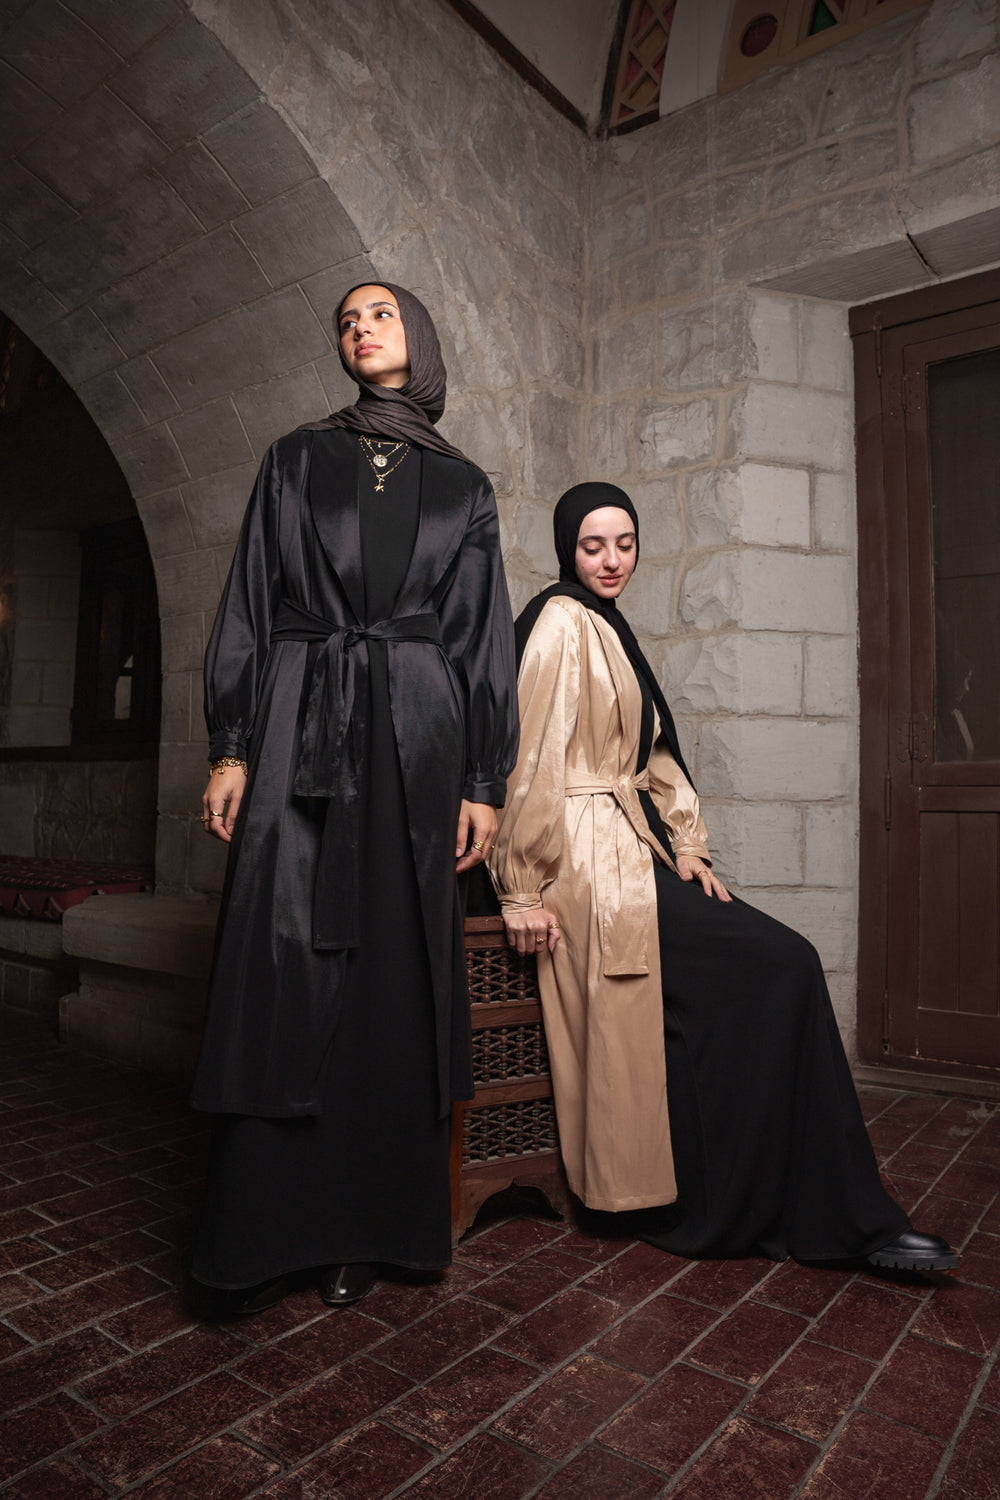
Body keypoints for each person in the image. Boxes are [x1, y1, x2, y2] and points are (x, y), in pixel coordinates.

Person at [489, 482, 957, 1272]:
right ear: (568, 549)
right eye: (593, 546)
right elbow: (527, 761)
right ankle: (833, 1217)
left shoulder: (609, 625)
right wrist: (521, 889)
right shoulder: (561, 623)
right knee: (785, 965)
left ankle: (794, 1205)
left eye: (625, 543)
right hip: (583, 864)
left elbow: (652, 754)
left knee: (776, 971)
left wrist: (689, 846)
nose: (611, 560)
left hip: (633, 849)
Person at [189, 282, 518, 1315]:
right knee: (280, 955)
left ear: (418, 335)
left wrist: (483, 780)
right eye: (347, 319)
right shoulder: (294, 457)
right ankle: (258, 1231)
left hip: (418, 737)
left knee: (391, 968)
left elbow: (480, 636)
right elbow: (251, 597)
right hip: (299, 715)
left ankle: (365, 1230)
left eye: (380, 313)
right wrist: (232, 745)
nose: (361, 327)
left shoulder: (462, 485)